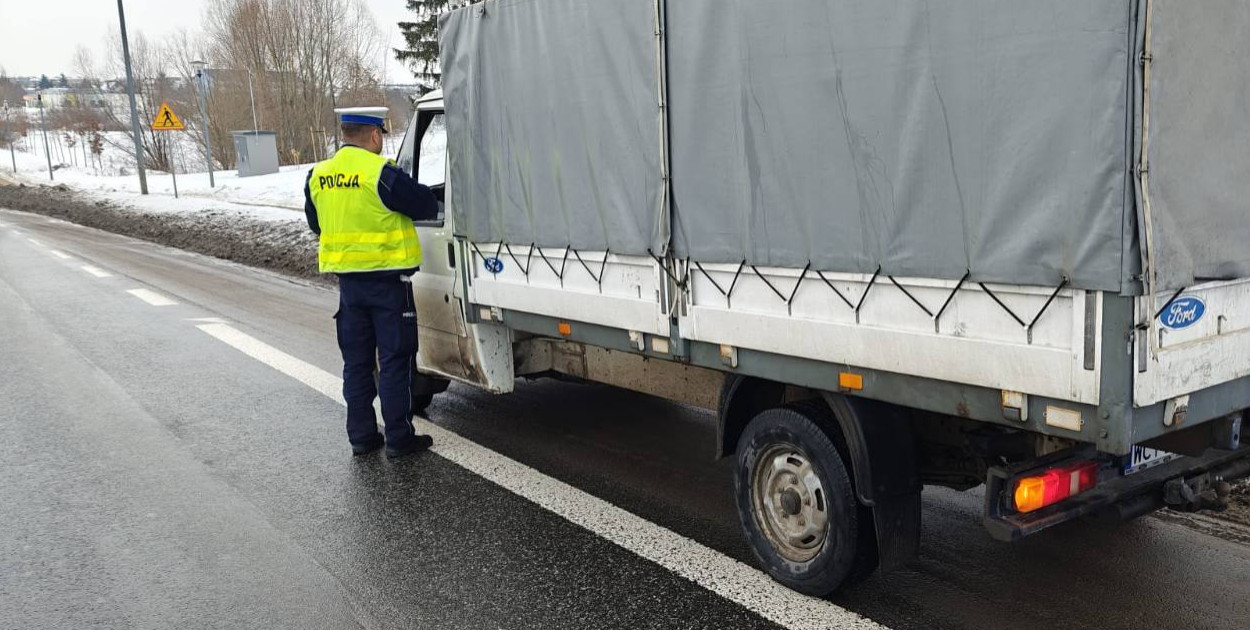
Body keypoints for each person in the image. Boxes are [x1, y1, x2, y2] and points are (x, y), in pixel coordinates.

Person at [304, 107, 440, 458]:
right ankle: (399, 437)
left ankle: (362, 437)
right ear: (375, 136)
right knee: (395, 361)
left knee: (358, 363)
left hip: (348, 288)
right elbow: (425, 203)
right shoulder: (380, 173)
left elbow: (317, 225)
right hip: (388, 284)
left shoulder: (318, 175)